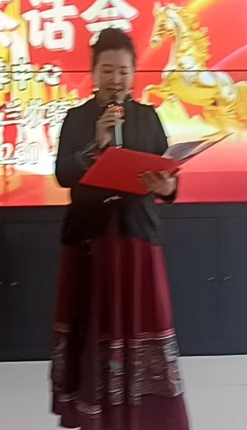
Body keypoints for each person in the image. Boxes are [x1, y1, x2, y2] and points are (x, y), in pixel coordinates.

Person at [50, 28, 190, 430]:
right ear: (94, 73)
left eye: (123, 71)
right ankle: (93, 413)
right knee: (91, 325)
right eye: (108, 70)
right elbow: (64, 175)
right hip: (89, 239)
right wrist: (96, 142)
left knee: (141, 325)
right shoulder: (77, 119)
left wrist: (166, 186)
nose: (116, 79)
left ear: (133, 73)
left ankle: (142, 415)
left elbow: (168, 176)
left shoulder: (148, 117)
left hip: (136, 238)